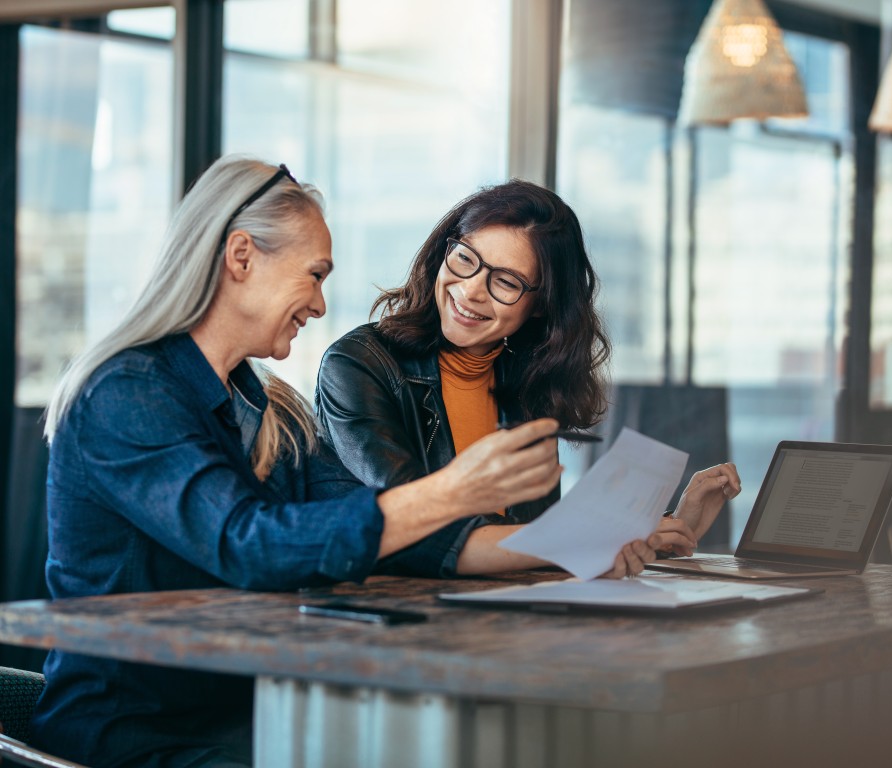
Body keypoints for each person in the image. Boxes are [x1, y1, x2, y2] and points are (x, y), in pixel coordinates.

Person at [30, 157, 626, 768]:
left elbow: (382, 535)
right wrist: (451, 492)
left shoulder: (270, 407)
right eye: (314, 275)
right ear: (241, 257)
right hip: (133, 734)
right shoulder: (127, 392)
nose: (319, 304)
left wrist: (588, 539)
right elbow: (247, 544)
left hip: (249, 712)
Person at [315, 179, 742, 577]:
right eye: (465, 258)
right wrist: (586, 541)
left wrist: (664, 530)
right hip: (395, 621)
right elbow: (414, 526)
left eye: (506, 281)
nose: (471, 290)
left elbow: (536, 539)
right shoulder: (359, 364)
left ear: (540, 306)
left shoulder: (528, 382)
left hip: (502, 617)